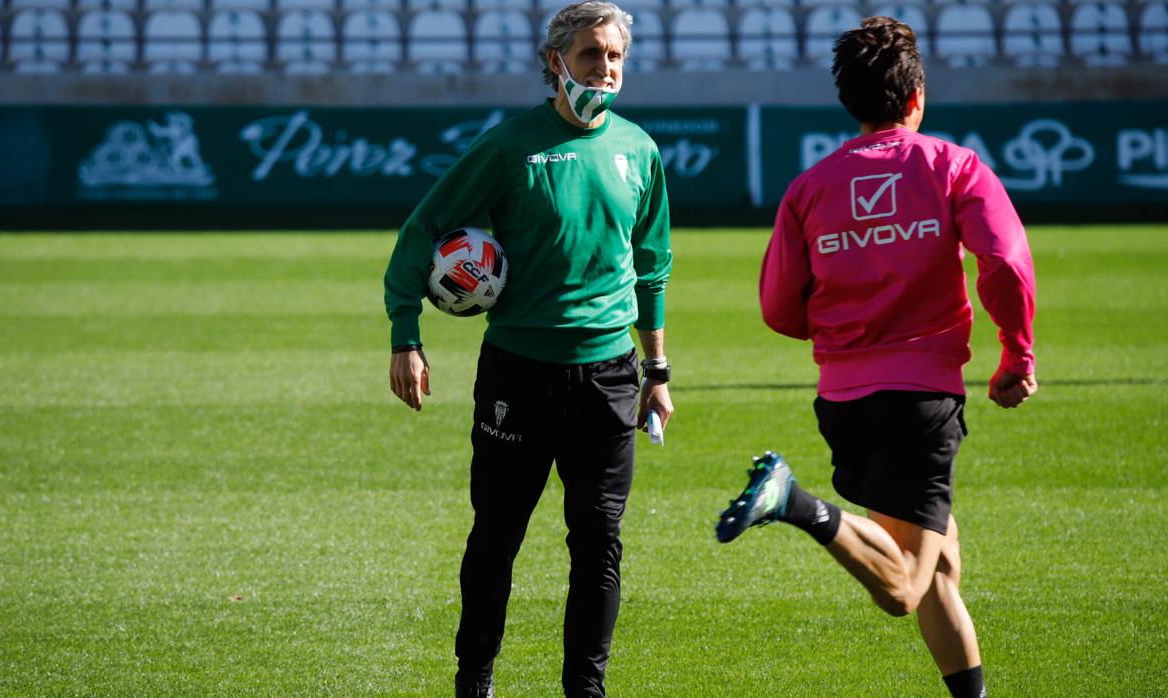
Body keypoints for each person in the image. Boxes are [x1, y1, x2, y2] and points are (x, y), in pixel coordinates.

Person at [714, 17, 1036, 698]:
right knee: (904, 587)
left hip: (843, 402)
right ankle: (794, 502)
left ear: (849, 103)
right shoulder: (953, 165)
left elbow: (778, 307)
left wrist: (846, 337)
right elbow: (1003, 262)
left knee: (940, 567)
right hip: (920, 403)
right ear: (916, 96)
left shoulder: (811, 187)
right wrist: (1016, 354)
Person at [383, 3, 674, 696]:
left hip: (610, 378)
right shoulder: (508, 147)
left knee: (599, 544)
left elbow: (652, 266)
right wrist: (405, 336)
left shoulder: (639, 150)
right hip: (519, 373)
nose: (604, 68)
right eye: (589, 55)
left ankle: (586, 689)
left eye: (614, 57)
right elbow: (422, 229)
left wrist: (657, 369)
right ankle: (474, 680)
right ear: (555, 62)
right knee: (497, 537)